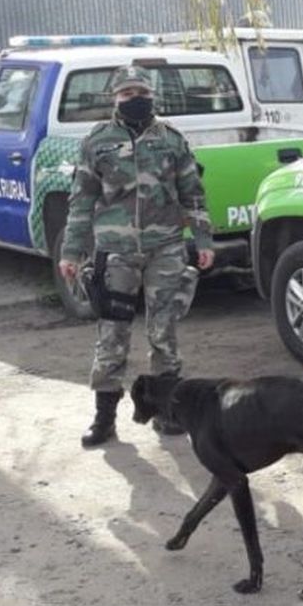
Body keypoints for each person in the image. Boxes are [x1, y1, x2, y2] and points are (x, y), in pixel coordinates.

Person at [58, 65, 214, 447]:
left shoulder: (172, 140)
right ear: (114, 99)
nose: (135, 99)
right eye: (126, 94)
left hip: (166, 248)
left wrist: (204, 239)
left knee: (164, 331)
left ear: (152, 96)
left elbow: (192, 191)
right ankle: (104, 419)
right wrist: (71, 252)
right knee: (112, 333)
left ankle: (166, 412)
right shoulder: (98, 142)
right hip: (116, 252)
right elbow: (82, 201)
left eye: (140, 92)